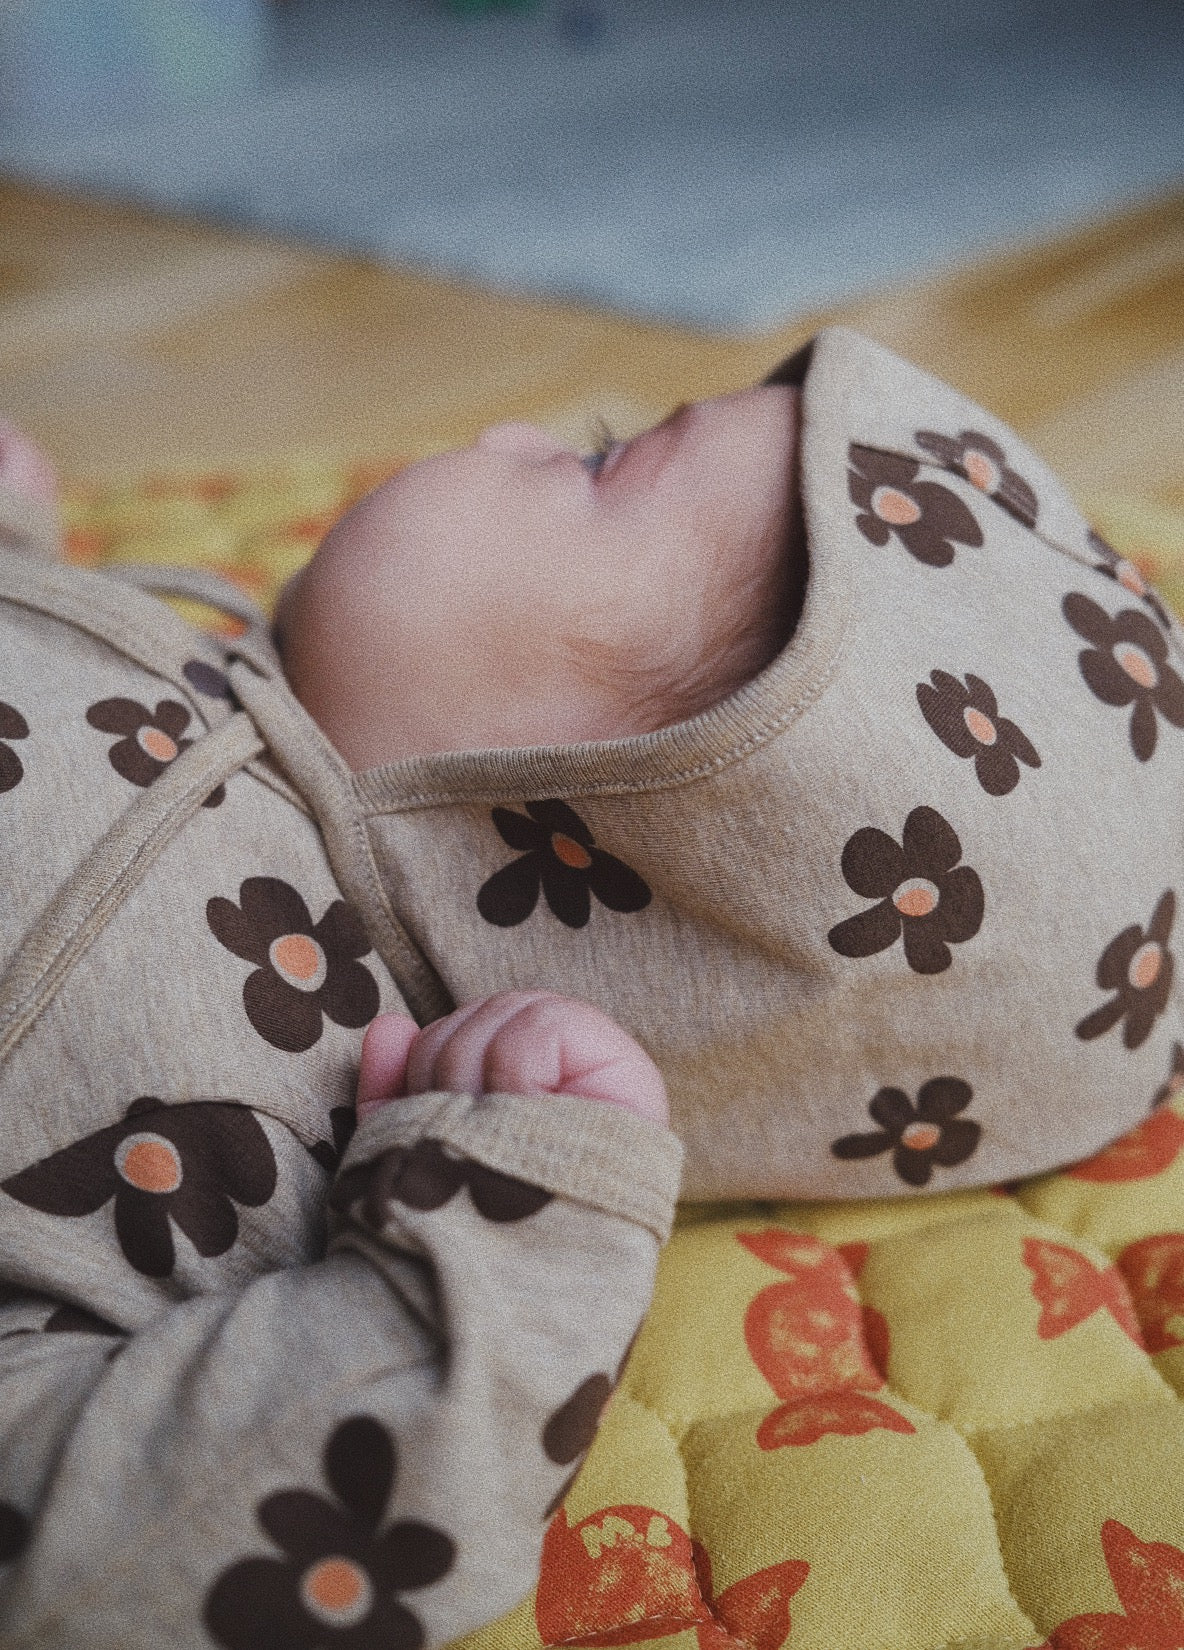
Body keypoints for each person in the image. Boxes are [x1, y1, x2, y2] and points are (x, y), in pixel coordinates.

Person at [0, 324, 1180, 1647]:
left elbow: (116, 1551)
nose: (514, 432)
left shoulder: (248, 1129)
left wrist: (498, 1246)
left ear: (632, 814)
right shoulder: (221, 661)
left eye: (599, 464)